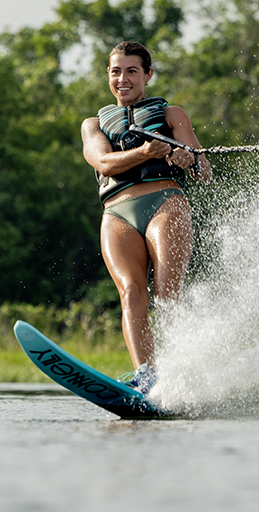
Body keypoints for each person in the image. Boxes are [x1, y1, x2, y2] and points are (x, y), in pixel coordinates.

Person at [81, 41, 211, 393]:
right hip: (117, 213)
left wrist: (189, 158)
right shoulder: (93, 124)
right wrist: (144, 152)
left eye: (132, 71)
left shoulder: (172, 115)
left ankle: (181, 375)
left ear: (148, 75)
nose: (123, 78)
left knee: (167, 293)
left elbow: (203, 170)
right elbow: (104, 162)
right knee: (132, 293)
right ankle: (147, 377)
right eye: (116, 71)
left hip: (165, 201)